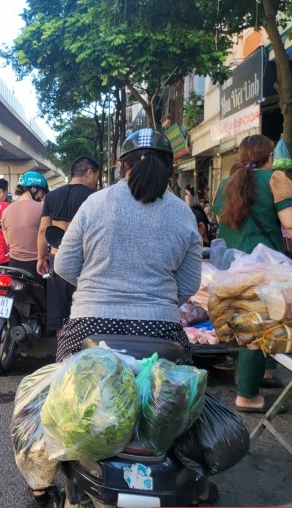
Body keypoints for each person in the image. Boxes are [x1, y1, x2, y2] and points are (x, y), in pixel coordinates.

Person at [54, 129, 202, 366]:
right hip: (160, 328)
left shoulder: (94, 203)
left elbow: (64, 264)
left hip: (90, 323)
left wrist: (95, 288)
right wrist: (158, 298)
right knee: (178, 398)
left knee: (64, 399)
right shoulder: (183, 213)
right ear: (169, 166)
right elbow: (190, 283)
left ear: (122, 165)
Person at [212, 134, 292, 413]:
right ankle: (247, 396)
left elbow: (221, 219)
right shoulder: (276, 179)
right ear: (270, 157)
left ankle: (263, 374)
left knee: (244, 322)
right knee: (258, 326)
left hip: (229, 266)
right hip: (262, 267)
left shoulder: (225, 184)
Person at [36, 156, 101, 334]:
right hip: (85, 262)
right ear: (89, 173)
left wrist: (41, 258)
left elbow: (43, 230)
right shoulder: (95, 198)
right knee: (84, 315)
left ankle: (62, 355)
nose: (96, 181)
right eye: (96, 176)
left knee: (60, 318)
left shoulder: (52, 196)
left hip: (58, 261)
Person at [1, 172, 49, 277]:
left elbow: (8, 242)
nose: (42, 196)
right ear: (33, 189)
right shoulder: (42, 208)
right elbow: (44, 234)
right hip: (37, 264)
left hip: (14, 263)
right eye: (42, 192)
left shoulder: (6, 210)